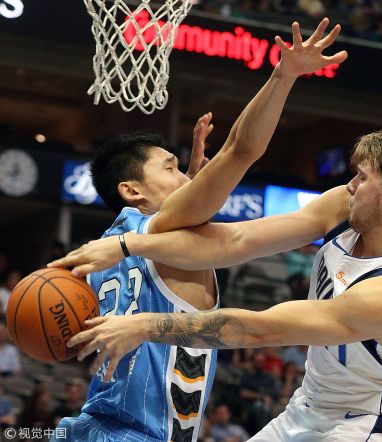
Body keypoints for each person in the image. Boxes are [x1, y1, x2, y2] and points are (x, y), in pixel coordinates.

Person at [48, 18, 348, 442]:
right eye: (170, 167)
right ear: (132, 189)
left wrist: (187, 185)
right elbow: (241, 150)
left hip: (86, 427)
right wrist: (284, 75)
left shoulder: (99, 252)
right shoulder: (157, 229)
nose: (186, 178)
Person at [51, 127, 382, 440]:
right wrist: (127, 245)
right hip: (308, 406)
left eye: (361, 179)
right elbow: (235, 240)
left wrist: (143, 326)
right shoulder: (343, 207)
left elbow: (261, 329)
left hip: (367, 424)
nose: (350, 185)